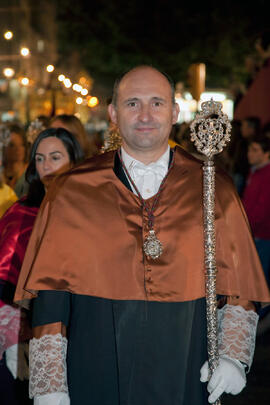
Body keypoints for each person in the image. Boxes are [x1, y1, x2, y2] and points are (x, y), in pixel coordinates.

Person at [14, 66, 270, 405]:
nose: (145, 115)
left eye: (157, 103)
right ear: (113, 113)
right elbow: (50, 294)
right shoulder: (72, 189)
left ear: (175, 111)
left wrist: (233, 357)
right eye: (132, 103)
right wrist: (50, 384)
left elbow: (239, 286)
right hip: (94, 361)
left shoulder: (214, 186)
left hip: (185, 357)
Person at [0, 128, 84, 405]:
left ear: (74, 161)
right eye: (40, 158)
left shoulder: (91, 211)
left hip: (84, 329)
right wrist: (14, 342)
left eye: (56, 157)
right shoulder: (22, 213)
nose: (46, 165)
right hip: (31, 333)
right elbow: (5, 281)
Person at [242, 137, 270, 286]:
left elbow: (262, 209)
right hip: (253, 231)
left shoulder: (267, 174)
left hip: (262, 234)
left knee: (260, 279)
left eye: (255, 150)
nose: (249, 154)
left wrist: (246, 228)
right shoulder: (255, 171)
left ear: (267, 154)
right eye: (249, 150)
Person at [3, 124, 29, 198]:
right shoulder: (2, 173)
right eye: (12, 145)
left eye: (22, 145)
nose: (18, 149)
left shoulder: (31, 174)